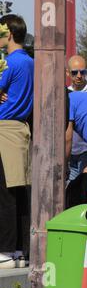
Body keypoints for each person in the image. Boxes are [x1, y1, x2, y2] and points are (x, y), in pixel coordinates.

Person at [0, 15, 33, 269]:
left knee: (6, 191)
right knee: (19, 191)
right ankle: (20, 250)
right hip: (22, 128)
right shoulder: (31, 61)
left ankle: (6, 250)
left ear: (9, 33)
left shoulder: (9, 63)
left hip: (6, 128)